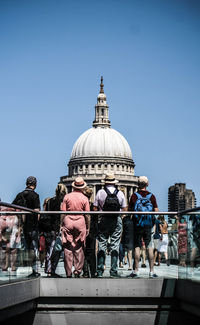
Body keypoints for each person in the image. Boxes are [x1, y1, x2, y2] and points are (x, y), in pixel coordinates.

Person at [93, 174, 127, 278]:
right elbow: (125, 210)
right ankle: (113, 271)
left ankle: (99, 270)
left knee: (102, 245)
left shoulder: (100, 192)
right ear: (114, 182)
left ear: (105, 182)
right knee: (115, 246)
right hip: (116, 220)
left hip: (104, 219)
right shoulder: (120, 193)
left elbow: (95, 208)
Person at [128, 176, 159, 278]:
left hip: (137, 225)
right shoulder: (152, 196)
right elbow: (156, 211)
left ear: (137, 184)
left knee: (137, 247)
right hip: (148, 225)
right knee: (149, 247)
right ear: (147, 184)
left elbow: (130, 211)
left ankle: (136, 271)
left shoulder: (134, 196)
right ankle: (151, 271)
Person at [61, 177, 90, 278]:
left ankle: (68, 272)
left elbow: (63, 213)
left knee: (68, 248)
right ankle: (77, 271)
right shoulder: (85, 198)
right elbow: (87, 214)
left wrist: (61, 224)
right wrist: (88, 227)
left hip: (68, 221)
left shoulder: (67, 197)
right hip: (80, 222)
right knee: (79, 248)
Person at [12, 176, 40, 277]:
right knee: (34, 247)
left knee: (26, 247)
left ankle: (26, 267)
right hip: (32, 225)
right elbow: (37, 212)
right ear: (35, 184)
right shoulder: (35, 196)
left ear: (26, 183)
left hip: (22, 225)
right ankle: (34, 269)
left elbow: (12, 207)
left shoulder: (20, 195)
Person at [40, 184, 67, 277]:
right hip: (56, 228)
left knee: (49, 250)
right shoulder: (63, 201)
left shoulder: (50, 201)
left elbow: (46, 213)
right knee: (56, 250)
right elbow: (62, 215)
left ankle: (48, 270)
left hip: (48, 227)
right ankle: (51, 270)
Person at [82, 186, 98, 278]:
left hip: (83, 229)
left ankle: (85, 271)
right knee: (92, 252)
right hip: (92, 230)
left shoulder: (82, 205)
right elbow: (95, 219)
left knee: (83, 251)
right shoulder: (93, 207)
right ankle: (93, 271)